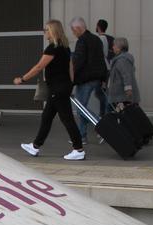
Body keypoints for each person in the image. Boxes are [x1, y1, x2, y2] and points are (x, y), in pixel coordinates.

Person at [14, 19, 85, 160]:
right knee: (47, 117)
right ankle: (35, 146)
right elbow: (70, 67)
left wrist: (22, 79)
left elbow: (39, 67)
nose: (44, 32)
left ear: (52, 31)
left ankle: (78, 149)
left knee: (67, 119)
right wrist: (70, 84)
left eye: (46, 30)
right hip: (60, 87)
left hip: (58, 89)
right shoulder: (64, 47)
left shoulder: (53, 47)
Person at [70, 17, 108, 143]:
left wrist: (71, 76)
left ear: (78, 28)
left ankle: (99, 127)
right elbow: (101, 60)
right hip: (97, 78)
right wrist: (103, 78)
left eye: (73, 30)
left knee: (81, 108)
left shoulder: (82, 41)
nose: (73, 33)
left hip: (85, 79)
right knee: (83, 107)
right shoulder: (96, 39)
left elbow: (78, 61)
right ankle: (82, 135)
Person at [106, 37, 140, 109]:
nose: (112, 47)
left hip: (122, 97)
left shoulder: (122, 60)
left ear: (119, 47)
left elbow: (126, 75)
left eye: (114, 45)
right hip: (120, 96)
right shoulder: (121, 59)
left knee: (119, 116)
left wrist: (128, 89)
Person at [95, 19, 115, 116]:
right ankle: (105, 112)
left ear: (98, 26)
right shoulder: (111, 39)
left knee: (100, 92)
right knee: (103, 91)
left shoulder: (99, 39)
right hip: (108, 67)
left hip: (101, 69)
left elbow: (99, 54)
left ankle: (105, 112)